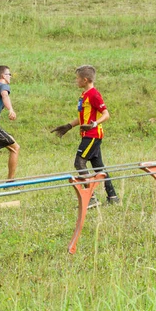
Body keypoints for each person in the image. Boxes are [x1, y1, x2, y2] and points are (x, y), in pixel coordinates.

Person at [51, 65, 120, 207]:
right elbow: (82, 118)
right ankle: (113, 197)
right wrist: (68, 126)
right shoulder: (83, 95)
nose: (76, 81)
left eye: (77, 78)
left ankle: (91, 198)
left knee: (79, 162)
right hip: (87, 134)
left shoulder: (94, 94)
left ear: (85, 79)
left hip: (93, 135)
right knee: (99, 167)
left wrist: (94, 124)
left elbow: (106, 115)